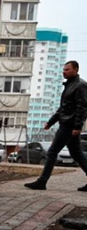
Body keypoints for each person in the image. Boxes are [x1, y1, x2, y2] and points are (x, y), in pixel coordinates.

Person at [25, 60, 87, 191]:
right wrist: (51, 121)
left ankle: (42, 181)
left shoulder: (80, 85)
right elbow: (63, 108)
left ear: (76, 69)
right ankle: (42, 181)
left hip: (69, 125)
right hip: (66, 123)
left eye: (67, 70)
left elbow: (82, 107)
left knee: (52, 151)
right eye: (64, 70)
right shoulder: (70, 85)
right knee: (76, 154)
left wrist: (77, 126)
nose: (64, 72)